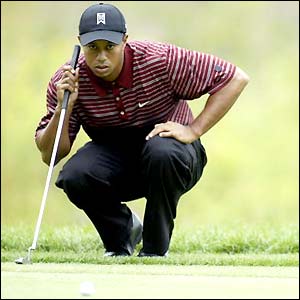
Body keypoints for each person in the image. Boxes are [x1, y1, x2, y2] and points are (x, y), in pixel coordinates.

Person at [35, 2, 249, 257]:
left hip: (172, 158)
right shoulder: (67, 81)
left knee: (162, 152)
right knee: (75, 175)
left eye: (109, 47)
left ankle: (155, 250)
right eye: (92, 48)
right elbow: (50, 156)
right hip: (117, 160)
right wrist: (63, 107)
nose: (101, 57)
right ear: (80, 42)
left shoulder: (159, 60)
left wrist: (193, 130)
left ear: (125, 40)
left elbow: (235, 78)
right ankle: (122, 237)